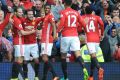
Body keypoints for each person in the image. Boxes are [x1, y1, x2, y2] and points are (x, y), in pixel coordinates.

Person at [57, 0, 89, 80]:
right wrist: (85, 31)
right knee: (78, 55)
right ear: (71, 4)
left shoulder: (63, 12)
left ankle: (65, 77)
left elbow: (62, 23)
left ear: (64, 4)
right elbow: (83, 24)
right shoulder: (76, 12)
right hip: (75, 36)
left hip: (66, 36)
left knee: (63, 57)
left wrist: (57, 31)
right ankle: (84, 68)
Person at [10, 8, 36, 80]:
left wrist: (28, 27)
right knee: (20, 60)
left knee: (17, 60)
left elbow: (22, 28)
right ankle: (15, 78)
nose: (21, 13)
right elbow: (23, 33)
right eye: (19, 12)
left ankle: (13, 78)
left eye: (22, 12)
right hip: (19, 41)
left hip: (17, 41)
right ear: (16, 12)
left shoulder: (16, 18)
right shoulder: (17, 20)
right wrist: (33, 31)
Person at [81, 6, 104, 80]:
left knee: (93, 56)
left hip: (89, 39)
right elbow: (102, 24)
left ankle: (99, 68)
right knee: (93, 58)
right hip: (97, 39)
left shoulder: (83, 17)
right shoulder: (97, 17)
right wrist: (102, 34)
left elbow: (79, 27)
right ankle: (91, 76)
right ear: (92, 11)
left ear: (85, 11)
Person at [22, 9, 44, 80]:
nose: (31, 15)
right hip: (25, 44)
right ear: (26, 15)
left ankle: (36, 76)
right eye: (29, 14)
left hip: (34, 44)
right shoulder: (23, 21)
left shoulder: (36, 20)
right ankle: (26, 77)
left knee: (37, 61)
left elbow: (44, 18)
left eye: (32, 14)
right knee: (25, 61)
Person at [40, 4, 59, 80]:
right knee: (46, 58)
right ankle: (44, 78)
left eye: (48, 8)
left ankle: (55, 75)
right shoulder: (46, 17)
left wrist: (55, 35)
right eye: (46, 8)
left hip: (47, 39)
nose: (47, 9)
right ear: (44, 9)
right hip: (44, 39)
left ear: (50, 9)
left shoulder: (50, 16)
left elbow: (54, 25)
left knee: (44, 58)